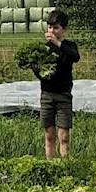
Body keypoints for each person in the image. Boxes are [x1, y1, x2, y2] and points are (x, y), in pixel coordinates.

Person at [32, 9, 80, 159]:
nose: (52, 31)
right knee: (49, 134)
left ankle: (65, 163)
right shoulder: (44, 49)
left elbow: (75, 57)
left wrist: (58, 44)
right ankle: (50, 162)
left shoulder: (69, 46)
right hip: (47, 94)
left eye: (56, 27)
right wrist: (36, 70)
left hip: (64, 94)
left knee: (64, 135)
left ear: (64, 29)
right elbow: (42, 75)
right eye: (50, 27)